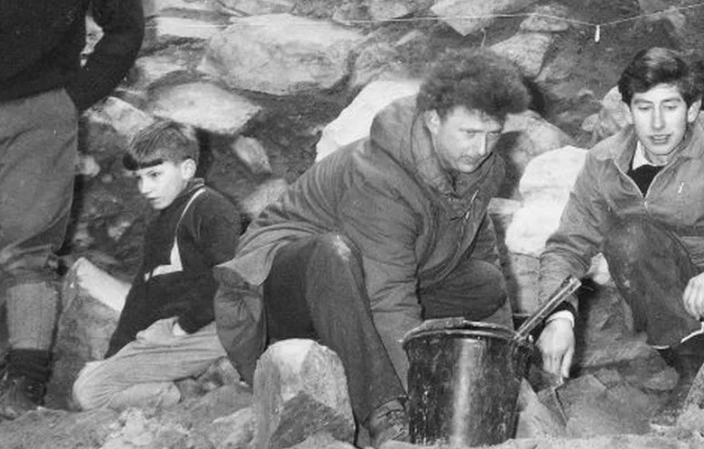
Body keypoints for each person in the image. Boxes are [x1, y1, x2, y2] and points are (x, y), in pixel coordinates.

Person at [213, 48, 531, 447]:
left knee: (484, 283)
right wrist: (421, 401)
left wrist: (509, 372)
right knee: (333, 253)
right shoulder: (380, 176)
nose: (481, 148)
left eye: (493, 135)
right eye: (469, 133)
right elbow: (389, 299)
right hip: (282, 293)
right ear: (433, 120)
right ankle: (383, 414)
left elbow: (482, 255)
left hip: (369, 281)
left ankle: (430, 366)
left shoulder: (482, 169)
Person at [535, 47, 704, 411]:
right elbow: (566, 246)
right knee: (628, 238)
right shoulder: (604, 162)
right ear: (628, 112)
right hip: (684, 313)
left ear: (692, 110)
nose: (657, 124)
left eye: (670, 107)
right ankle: (695, 372)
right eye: (644, 108)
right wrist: (558, 316)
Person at [0, 1, 144, 418]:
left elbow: (125, 26)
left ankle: (23, 384)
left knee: (27, 248)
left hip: (39, 114)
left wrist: (72, 98)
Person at [71, 120, 241, 411]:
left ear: (186, 169)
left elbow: (227, 277)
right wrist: (114, 356)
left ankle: (176, 397)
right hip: (180, 330)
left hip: (217, 327)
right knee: (89, 382)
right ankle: (181, 387)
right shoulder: (160, 225)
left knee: (89, 391)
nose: (145, 188)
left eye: (155, 175)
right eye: (139, 178)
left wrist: (182, 329)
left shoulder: (211, 208)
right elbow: (141, 297)